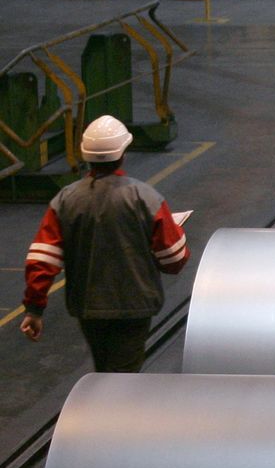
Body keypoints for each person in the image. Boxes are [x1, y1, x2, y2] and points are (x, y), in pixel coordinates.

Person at [20, 115, 190, 372]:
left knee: (105, 368)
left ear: (86, 155)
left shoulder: (65, 200)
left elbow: (42, 259)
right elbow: (174, 260)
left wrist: (34, 309)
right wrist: (176, 232)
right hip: (135, 306)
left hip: (88, 308)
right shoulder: (146, 198)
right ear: (123, 154)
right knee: (123, 376)